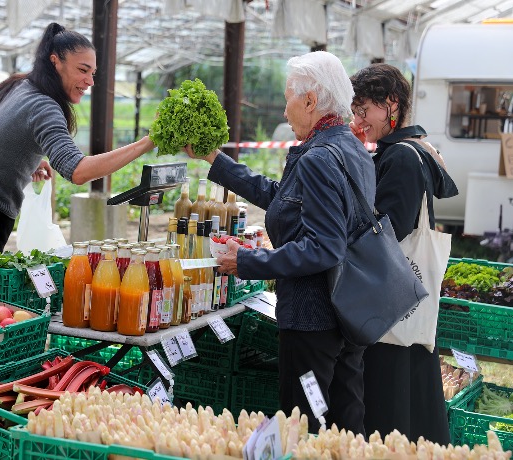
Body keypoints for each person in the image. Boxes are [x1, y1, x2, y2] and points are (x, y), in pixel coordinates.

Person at [186, 51, 375, 434]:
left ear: (309, 100)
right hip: (349, 313)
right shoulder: (351, 147)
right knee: (342, 423)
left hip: (313, 318)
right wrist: (215, 159)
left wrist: (250, 262)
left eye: (289, 97)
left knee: (305, 423)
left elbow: (324, 246)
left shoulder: (319, 157)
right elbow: (284, 200)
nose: (285, 111)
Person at [0, 23, 155, 253]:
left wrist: (22, 158)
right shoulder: (43, 106)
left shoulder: (16, 84)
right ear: (55, 61)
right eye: (83, 70)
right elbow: (78, 172)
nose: (90, 81)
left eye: (93, 73)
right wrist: (146, 142)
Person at [349, 63, 458, 444]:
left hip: (389, 300)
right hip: (405, 298)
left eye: (365, 110)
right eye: (356, 111)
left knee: (391, 400)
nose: (360, 120)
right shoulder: (414, 150)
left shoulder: (401, 158)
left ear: (391, 104)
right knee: (410, 395)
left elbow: (387, 232)